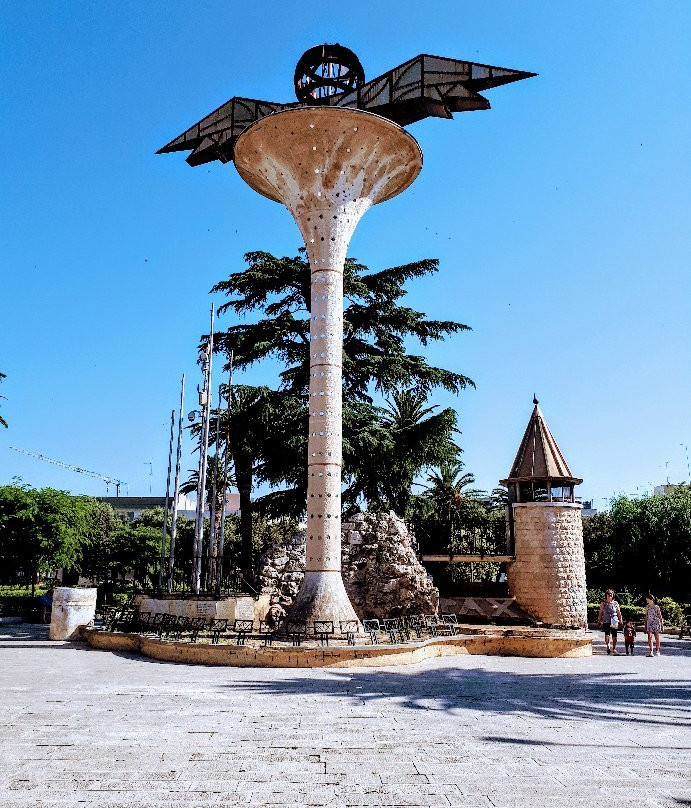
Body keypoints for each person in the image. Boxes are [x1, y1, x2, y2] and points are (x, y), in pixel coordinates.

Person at [598, 589, 623, 655]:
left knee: (614, 635)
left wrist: (620, 620)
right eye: (608, 595)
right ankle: (608, 646)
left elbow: (618, 612)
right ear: (606, 596)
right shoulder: (603, 603)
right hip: (606, 620)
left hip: (614, 621)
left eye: (610, 595)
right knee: (607, 634)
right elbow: (600, 612)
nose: (609, 596)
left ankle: (614, 648)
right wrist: (599, 620)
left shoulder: (615, 603)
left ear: (613, 596)